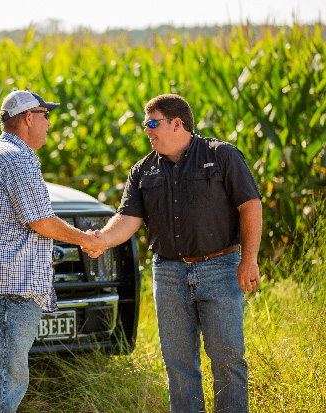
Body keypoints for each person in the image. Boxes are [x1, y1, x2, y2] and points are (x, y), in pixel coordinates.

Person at [85, 94, 262, 412]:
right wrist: (102, 239)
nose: (147, 131)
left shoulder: (221, 155)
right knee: (178, 364)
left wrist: (249, 260)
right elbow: (127, 220)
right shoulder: (142, 171)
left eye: (152, 123)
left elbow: (250, 205)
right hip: (168, 274)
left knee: (227, 358)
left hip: (221, 268)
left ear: (177, 123)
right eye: (144, 124)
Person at [0, 89, 105, 413]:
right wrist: (86, 240)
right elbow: (40, 220)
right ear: (28, 118)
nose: (49, 123)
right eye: (45, 115)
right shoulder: (15, 156)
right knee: (6, 380)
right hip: (6, 290)